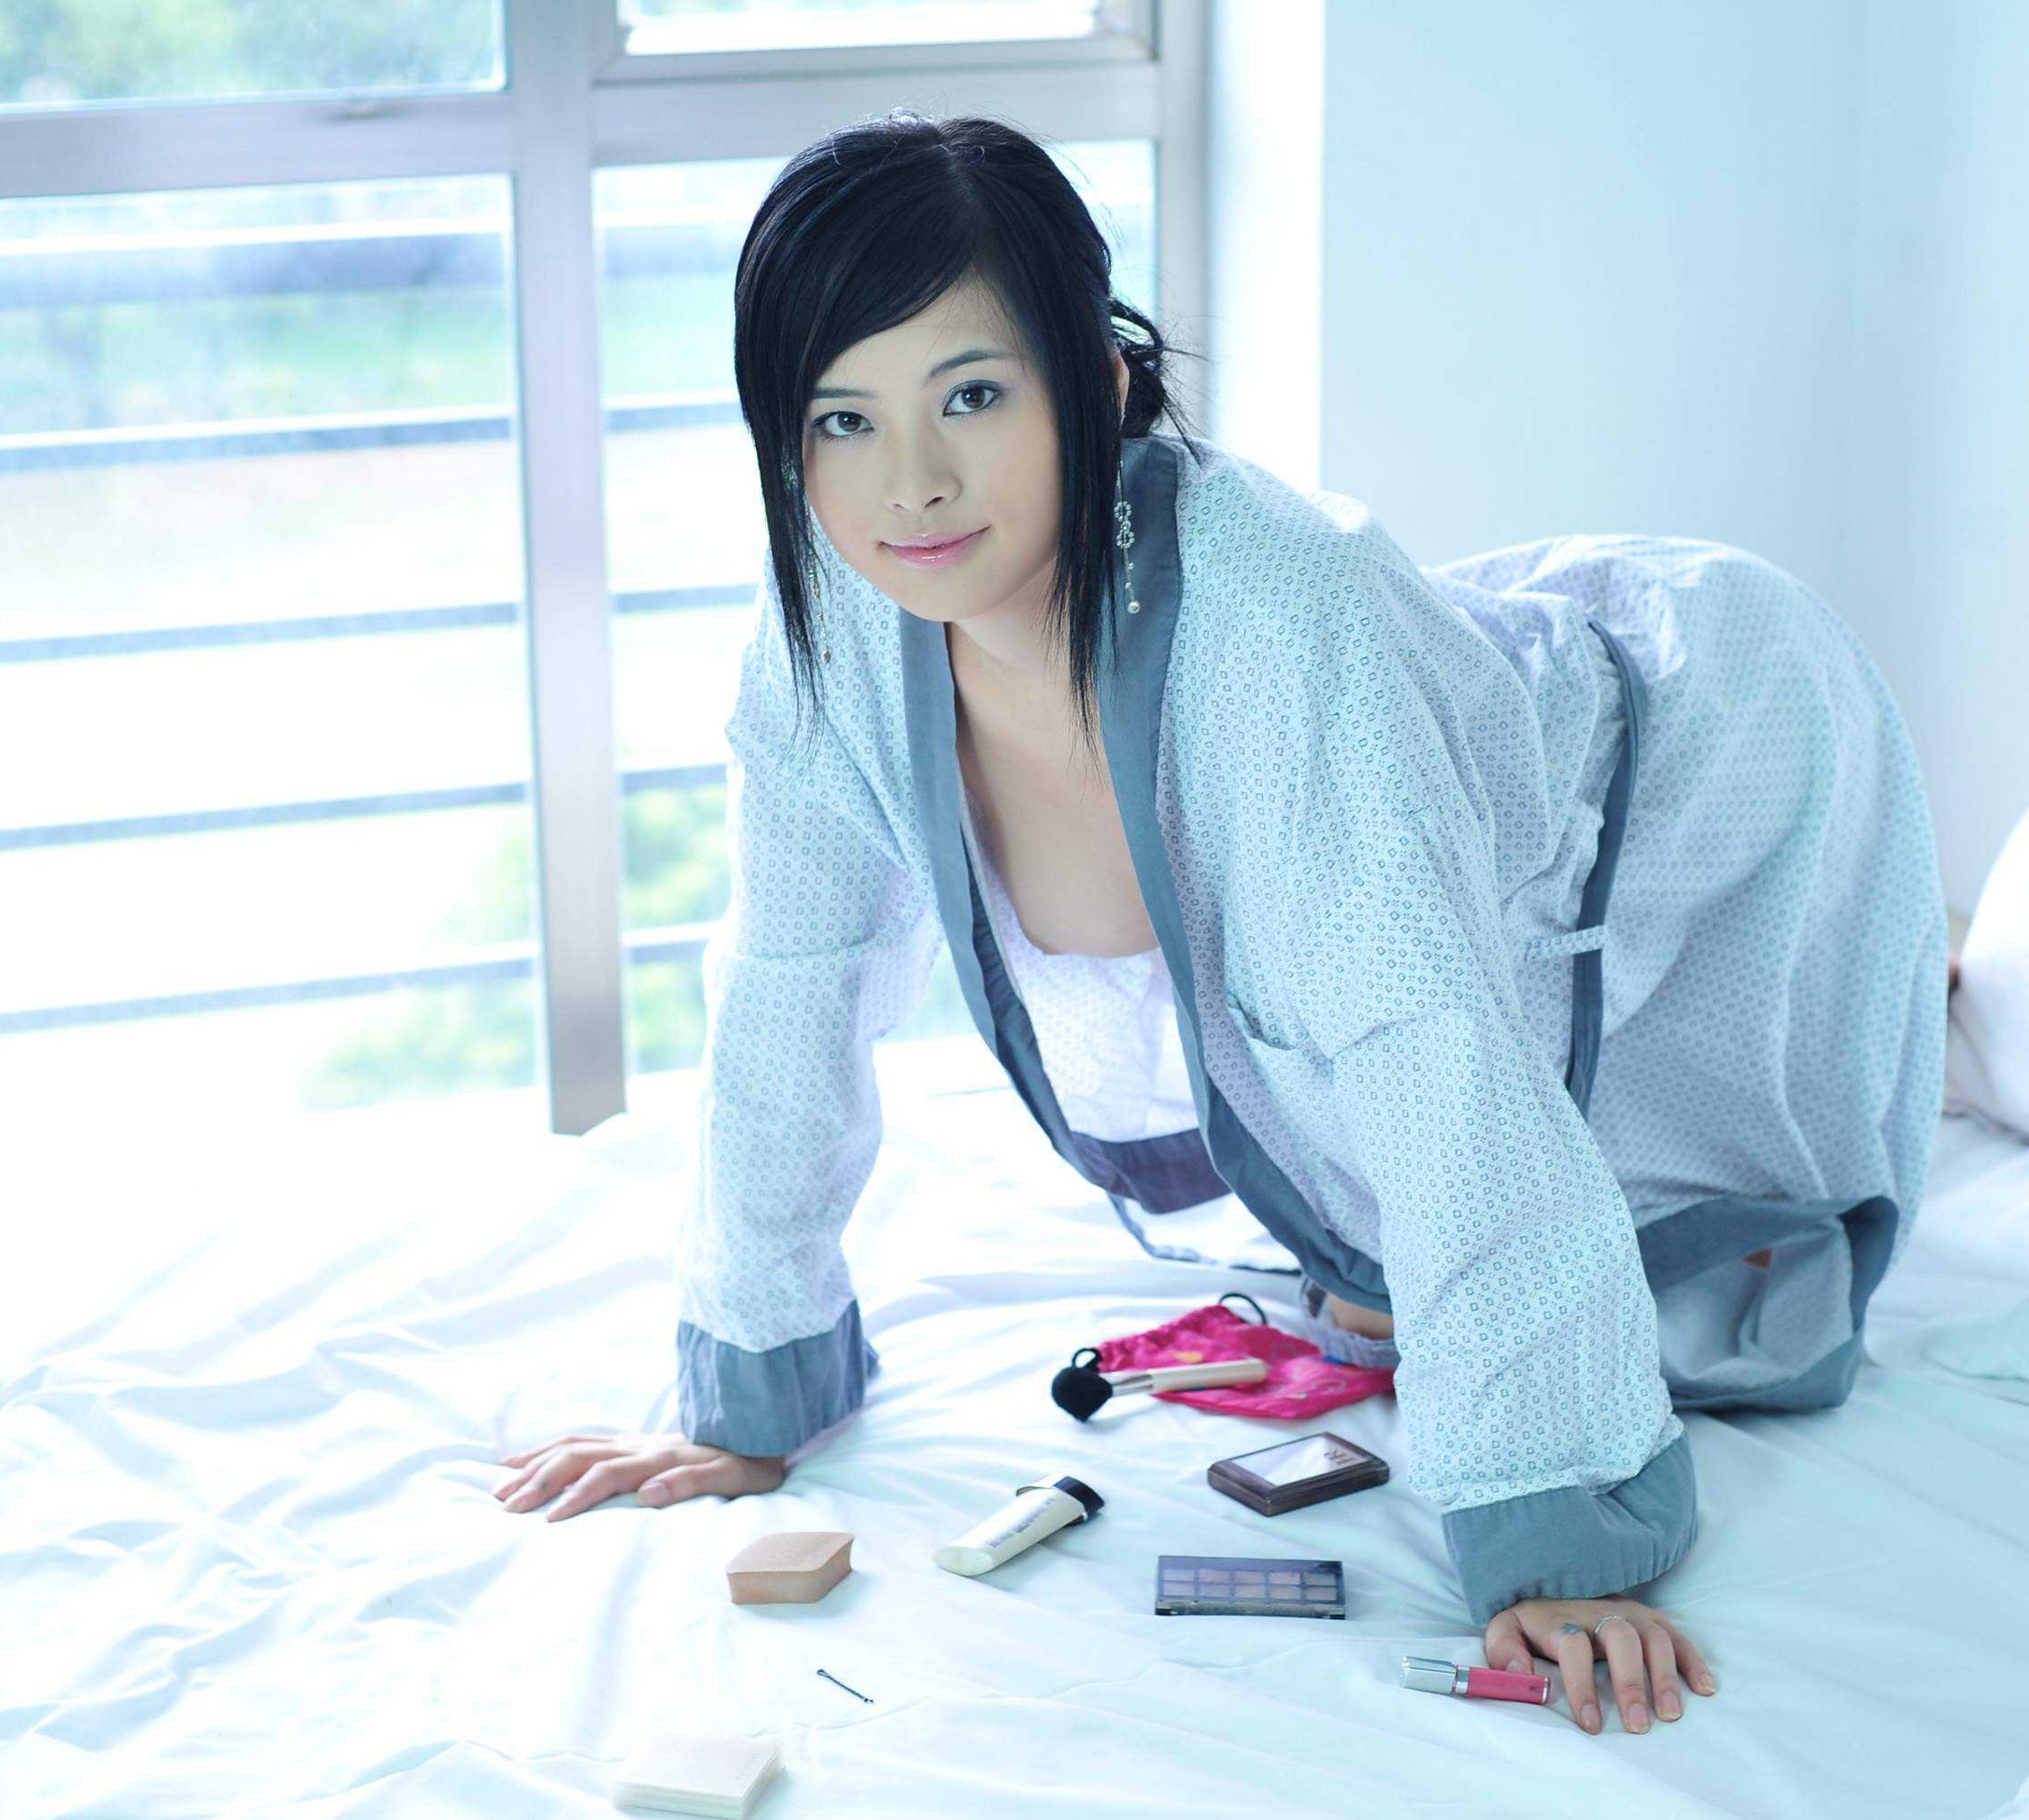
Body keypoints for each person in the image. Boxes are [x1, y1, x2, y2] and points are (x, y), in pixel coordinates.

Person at [496, 111, 1947, 1742]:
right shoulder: (829, 624)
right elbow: (787, 991)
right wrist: (750, 1391)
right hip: (1436, 748)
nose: (911, 483)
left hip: (1710, 749)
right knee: (1379, 1124)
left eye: (971, 395)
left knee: (1718, 1254)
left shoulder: (1274, 620)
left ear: (1098, 381)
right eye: (842, 418)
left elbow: (1434, 1053)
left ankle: (1950, 994)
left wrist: (1550, 1529)